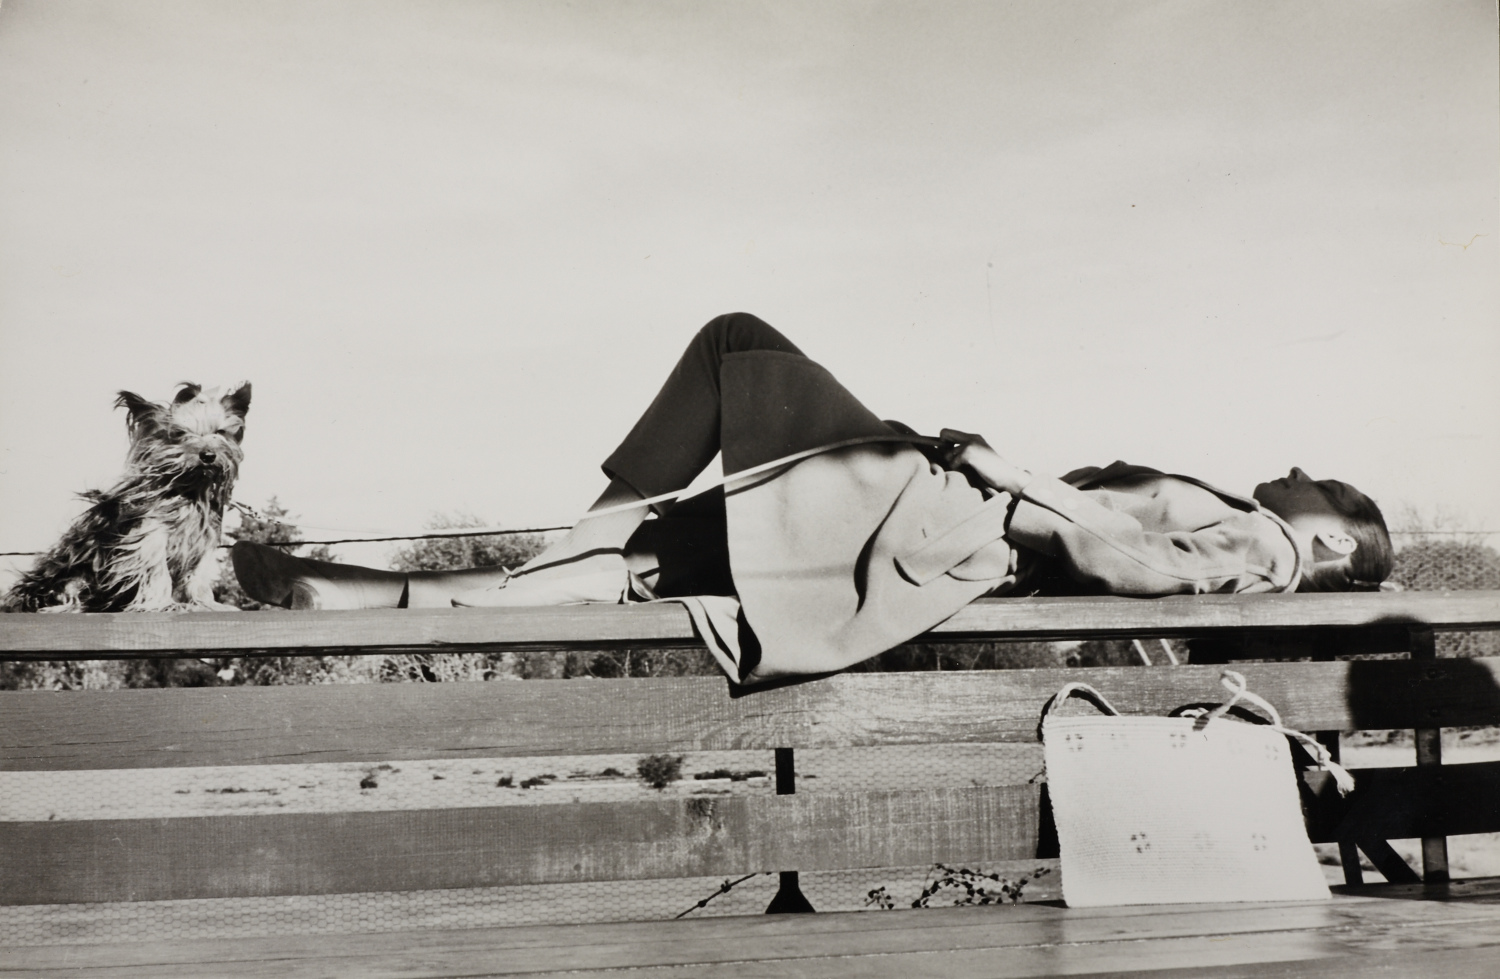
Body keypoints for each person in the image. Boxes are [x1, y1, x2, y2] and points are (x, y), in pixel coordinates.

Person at [234, 313, 1394, 685]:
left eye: (1322, 483)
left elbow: (1127, 566)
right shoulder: (1255, 541)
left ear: (1330, 535)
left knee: (738, 341)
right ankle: (351, 600)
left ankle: (551, 544)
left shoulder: (1258, 541)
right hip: (902, 543)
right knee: (653, 562)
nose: (1298, 464)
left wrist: (1008, 473)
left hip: (926, 517)